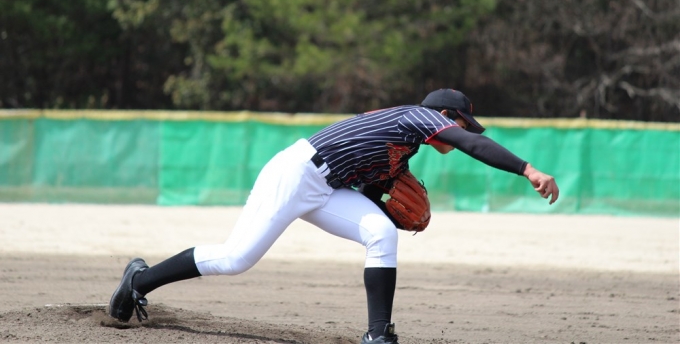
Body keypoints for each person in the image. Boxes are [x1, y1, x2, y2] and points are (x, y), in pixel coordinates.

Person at [108, 88, 560, 343]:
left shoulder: (402, 148)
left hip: (326, 187)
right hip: (295, 174)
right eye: (460, 123)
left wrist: (393, 208)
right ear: (444, 116)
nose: (462, 132)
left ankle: (378, 335)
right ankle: (139, 280)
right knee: (236, 258)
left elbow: (373, 190)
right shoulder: (416, 118)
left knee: (381, 232)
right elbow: (473, 145)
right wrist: (528, 169)